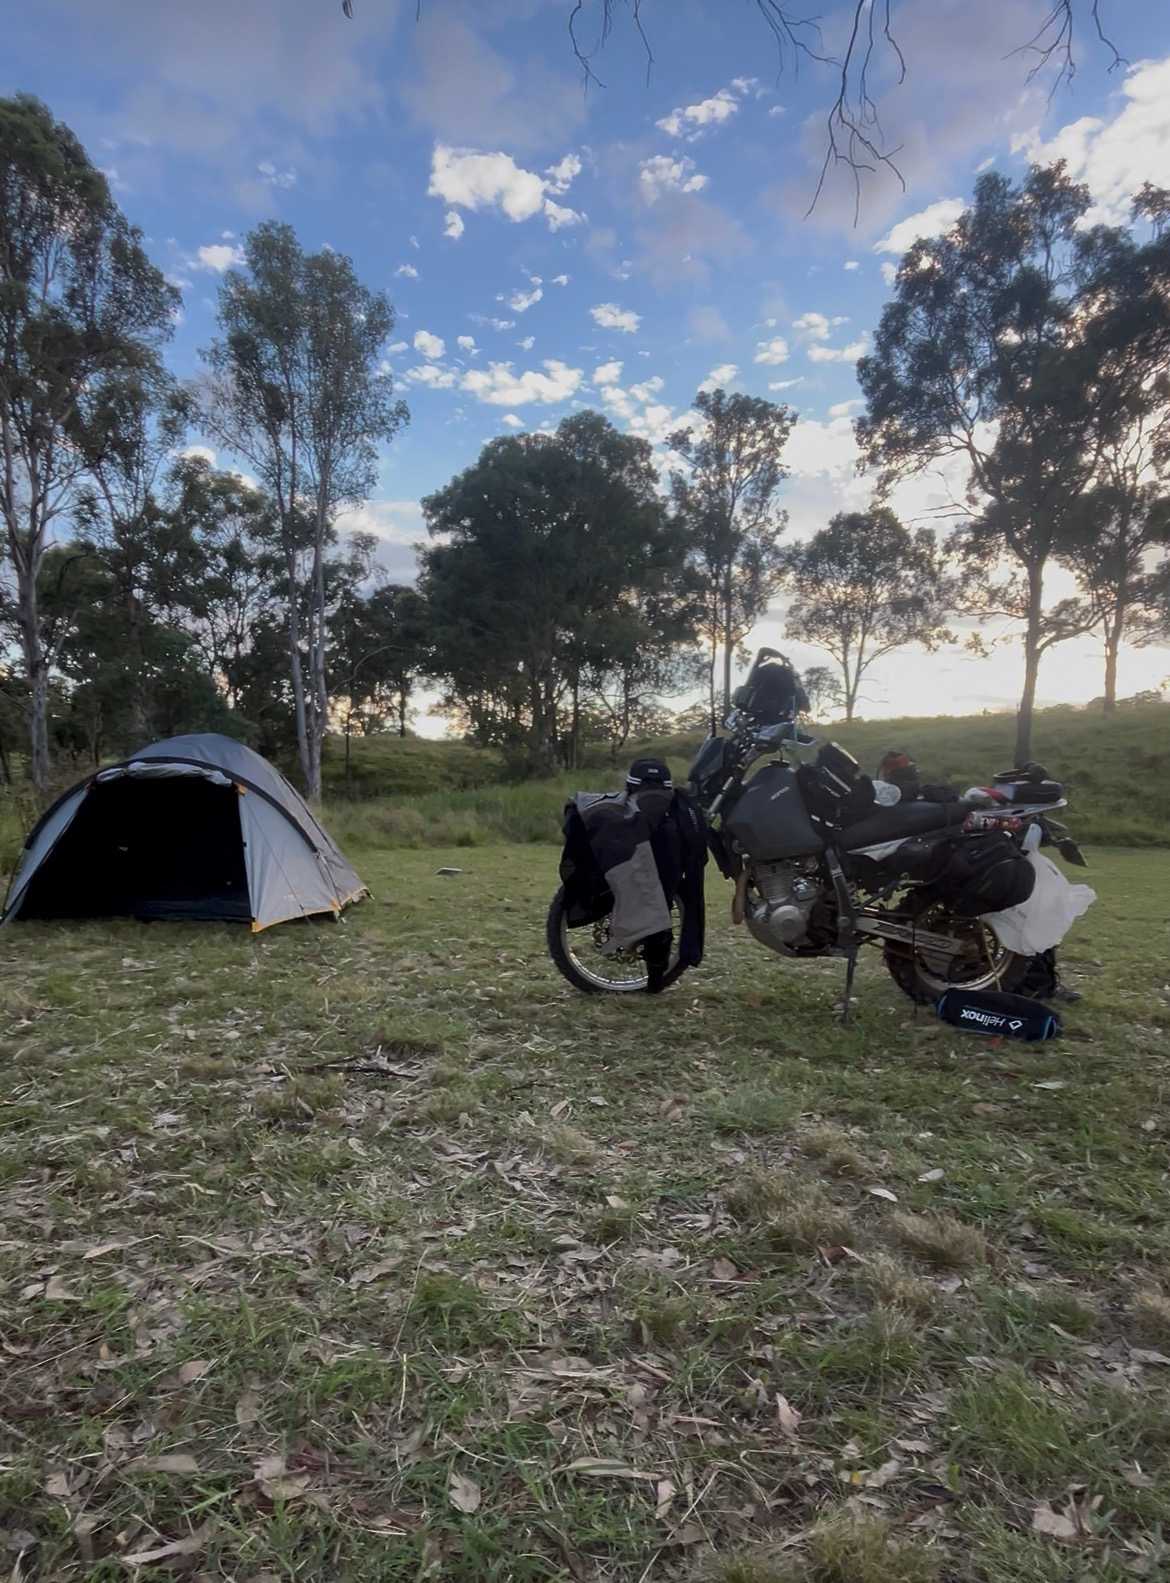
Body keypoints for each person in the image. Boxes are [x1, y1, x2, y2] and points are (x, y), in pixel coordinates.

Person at [874, 749, 1080, 1005]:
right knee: (1023, 899)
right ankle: (1035, 981)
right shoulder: (906, 797)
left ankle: (1035, 982)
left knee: (1022, 902)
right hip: (1010, 873)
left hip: (1010, 886)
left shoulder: (912, 798)